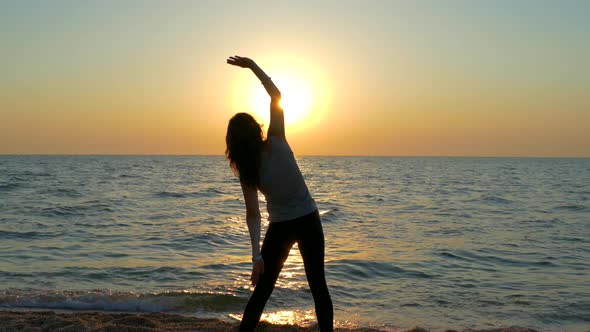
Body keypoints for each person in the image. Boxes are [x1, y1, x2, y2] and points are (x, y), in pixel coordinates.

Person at [225, 55, 333, 332]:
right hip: (307, 220)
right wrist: (253, 67)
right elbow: (276, 95)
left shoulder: (248, 168)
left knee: (262, 292)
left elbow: (253, 216)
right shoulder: (276, 138)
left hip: (283, 226)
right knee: (318, 286)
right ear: (255, 129)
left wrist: (256, 258)